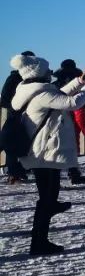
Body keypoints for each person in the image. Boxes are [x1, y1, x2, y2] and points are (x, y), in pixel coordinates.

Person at [9, 53, 85, 255]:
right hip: (44, 152)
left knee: (48, 196)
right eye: (47, 70)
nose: (50, 73)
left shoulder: (29, 89)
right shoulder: (41, 93)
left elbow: (58, 94)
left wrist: (79, 81)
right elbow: (70, 103)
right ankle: (38, 242)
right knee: (46, 199)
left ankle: (42, 234)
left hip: (41, 152)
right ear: (39, 72)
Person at [51, 60, 85, 183]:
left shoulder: (55, 86)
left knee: (55, 149)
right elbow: (79, 116)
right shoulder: (78, 92)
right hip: (71, 125)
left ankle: (54, 177)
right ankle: (74, 174)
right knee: (72, 149)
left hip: (54, 122)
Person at [1, 51, 33, 183]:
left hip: (30, 116)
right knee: (12, 146)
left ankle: (20, 170)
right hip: (14, 117)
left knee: (27, 144)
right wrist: (16, 107)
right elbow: (4, 100)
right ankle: (14, 173)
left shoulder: (31, 78)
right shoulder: (14, 78)